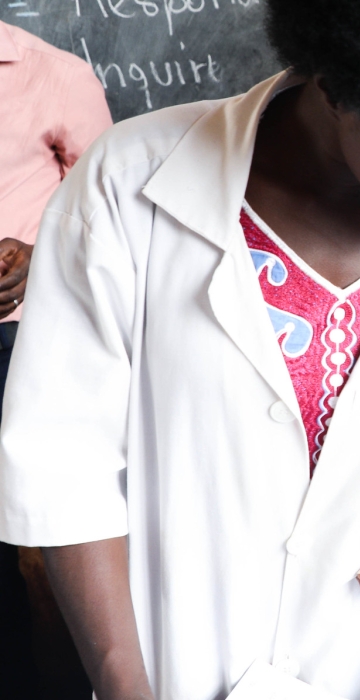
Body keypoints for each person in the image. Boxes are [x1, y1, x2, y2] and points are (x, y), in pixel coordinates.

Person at [0, 0, 360, 697]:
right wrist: (125, 682)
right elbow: (68, 468)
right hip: (176, 669)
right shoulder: (128, 184)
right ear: (338, 88)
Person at [0, 18, 113, 698]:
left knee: (39, 542)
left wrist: (41, 262)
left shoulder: (52, 71)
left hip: (20, 338)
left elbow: (110, 215)